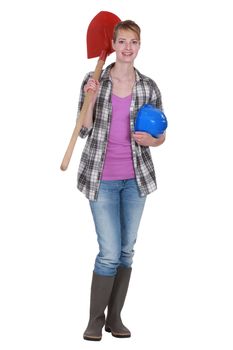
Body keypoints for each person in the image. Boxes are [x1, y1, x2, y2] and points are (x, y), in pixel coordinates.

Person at [76, 20, 166, 341]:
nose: (128, 47)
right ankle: (94, 321)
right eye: (122, 41)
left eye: (134, 42)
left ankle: (115, 319)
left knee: (126, 251)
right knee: (110, 251)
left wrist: (151, 140)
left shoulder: (149, 87)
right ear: (113, 44)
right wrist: (89, 98)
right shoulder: (95, 80)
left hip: (135, 180)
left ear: (139, 46)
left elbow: (161, 135)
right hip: (101, 179)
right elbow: (83, 128)